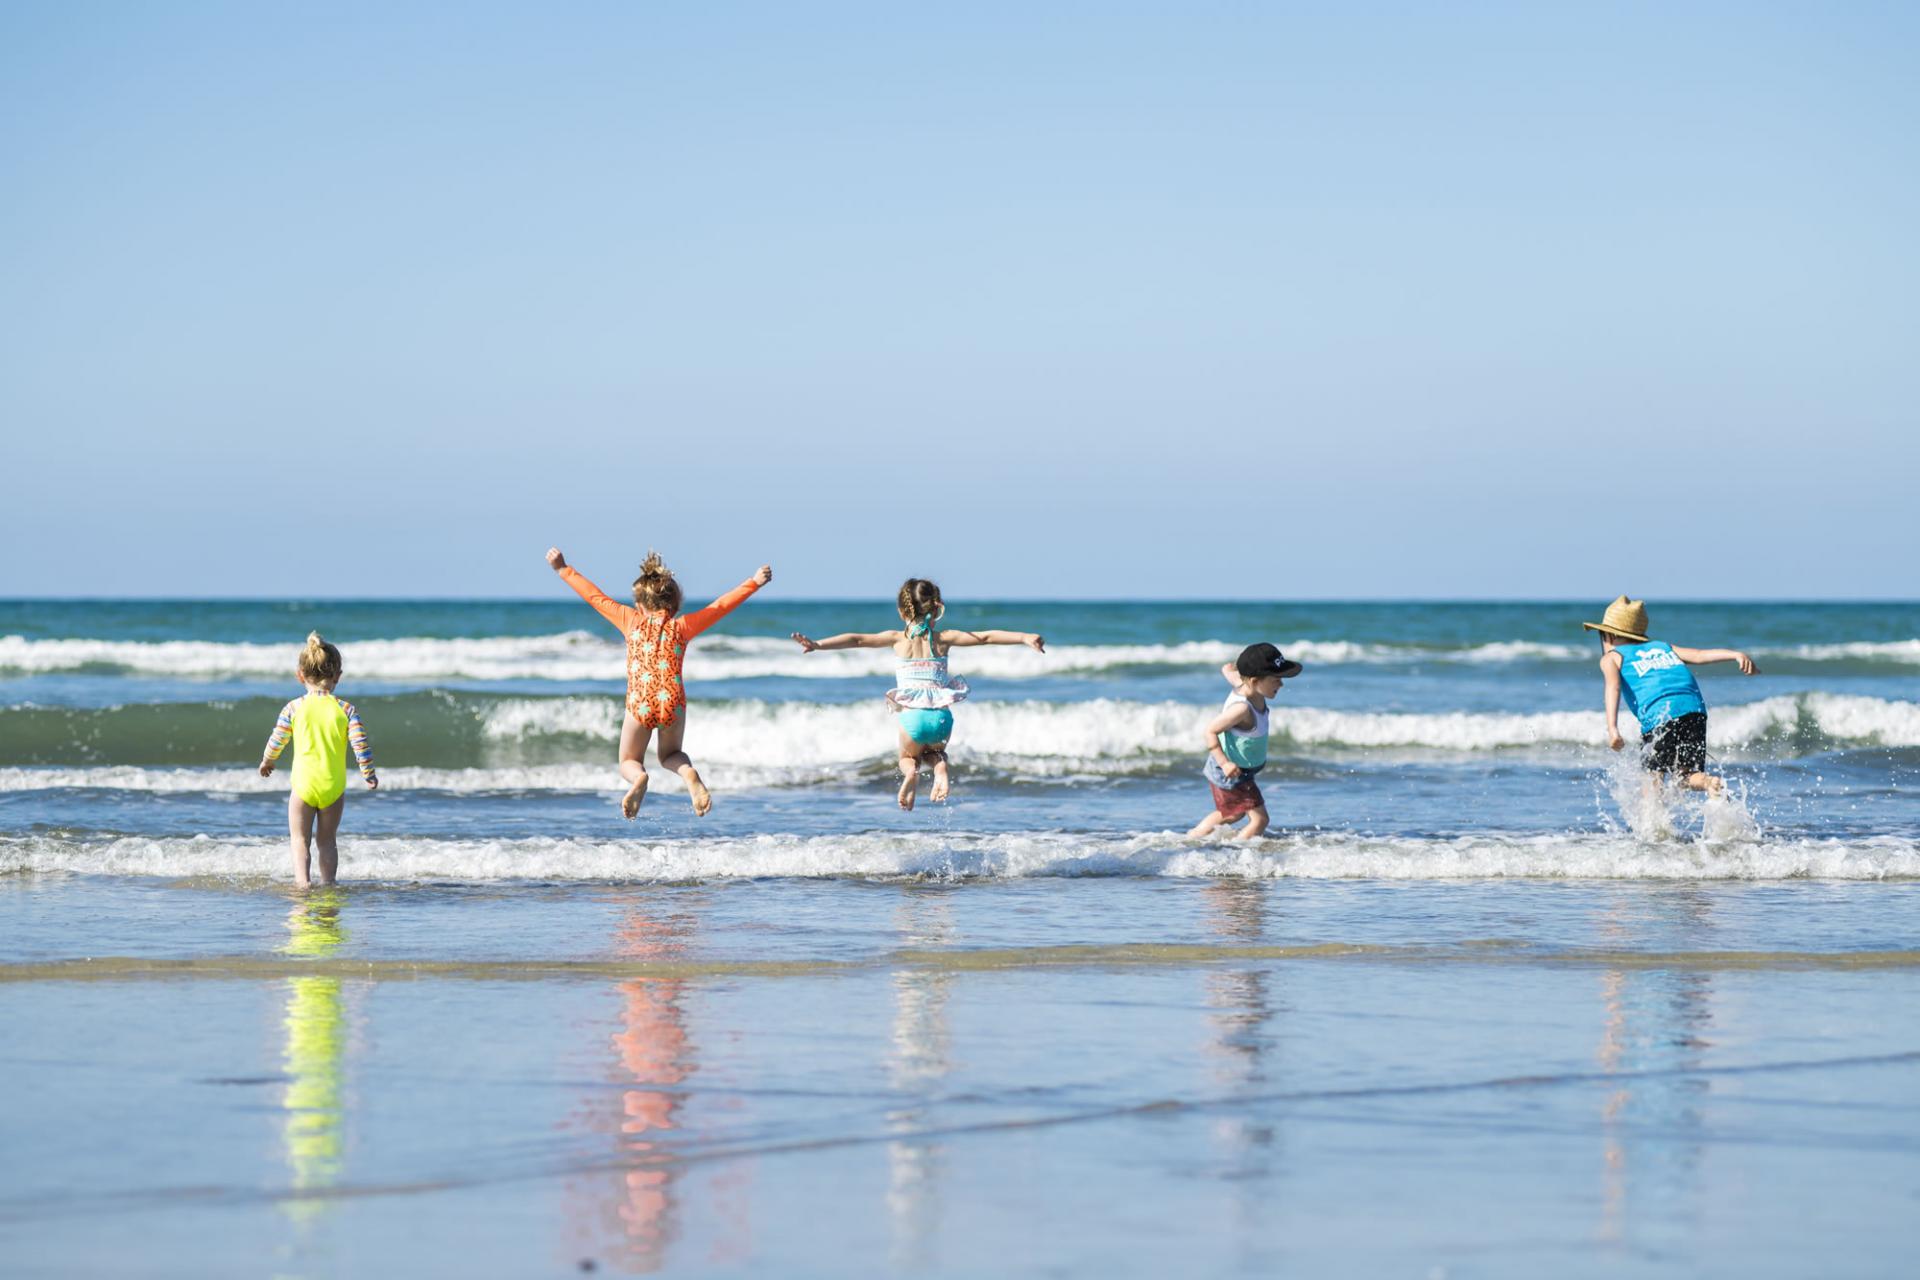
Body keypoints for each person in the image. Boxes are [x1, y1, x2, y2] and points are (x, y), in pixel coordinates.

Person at [547, 547, 770, 818]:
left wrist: (563, 569)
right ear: (675, 606)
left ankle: (639, 779)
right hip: (673, 701)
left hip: (641, 701)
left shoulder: (630, 620)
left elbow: (595, 597)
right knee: (670, 755)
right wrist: (754, 582)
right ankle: (689, 775)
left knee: (628, 760)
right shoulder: (683, 627)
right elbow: (720, 606)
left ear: (639, 604)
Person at [789, 578, 1044, 809]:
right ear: (936, 609)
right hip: (942, 719)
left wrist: (817, 645)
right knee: (936, 754)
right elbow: (986, 637)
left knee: (908, 758)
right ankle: (940, 768)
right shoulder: (944, 637)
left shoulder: (897, 639)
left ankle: (911, 775)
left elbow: (856, 640)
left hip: (913, 720)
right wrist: (1024, 637)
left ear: (902, 611)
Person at [1583, 595, 1759, 796]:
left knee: (1651, 776)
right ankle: (1709, 782)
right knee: (1685, 776)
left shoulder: (1611, 658)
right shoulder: (1662, 647)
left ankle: (1651, 826)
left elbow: (1613, 688)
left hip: (1661, 715)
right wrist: (1735, 655)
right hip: (1694, 710)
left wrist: (1612, 729)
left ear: (1609, 636)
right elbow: (1699, 655)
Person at [259, 632, 377, 887]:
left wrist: (267, 761)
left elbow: (277, 739)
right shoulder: (346, 710)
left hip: (303, 786)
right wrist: (368, 773)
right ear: (337, 676)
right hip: (332, 787)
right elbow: (361, 745)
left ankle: (303, 883)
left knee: (299, 840)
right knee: (327, 841)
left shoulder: (293, 708)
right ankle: (329, 883)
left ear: (300, 675)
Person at [1188, 643, 1302, 840]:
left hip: (1241, 770)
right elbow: (1210, 731)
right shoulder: (1242, 710)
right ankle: (1236, 851)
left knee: (1233, 813)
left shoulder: (1248, 685)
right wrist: (1225, 764)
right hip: (1230, 770)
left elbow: (1232, 673)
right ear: (1255, 680)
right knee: (1260, 820)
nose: (1281, 685)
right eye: (1276, 679)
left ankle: (1194, 837)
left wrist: (1228, 669)